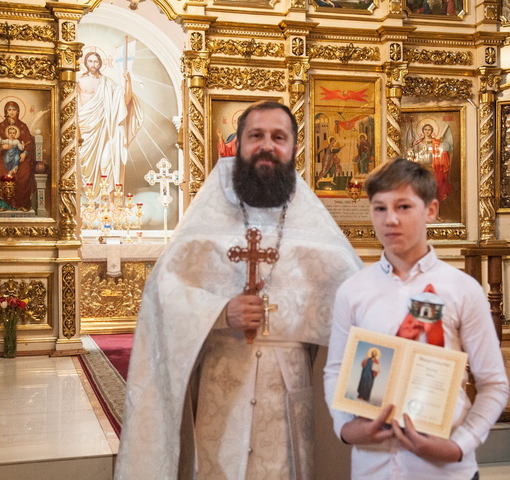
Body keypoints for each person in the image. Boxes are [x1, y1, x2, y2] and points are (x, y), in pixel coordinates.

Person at [115, 101, 363, 479]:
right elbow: (163, 296)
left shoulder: (314, 227)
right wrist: (219, 312)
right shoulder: (207, 218)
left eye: (278, 137)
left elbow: (357, 304)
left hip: (288, 391)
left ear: (294, 147)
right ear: (239, 144)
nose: (267, 145)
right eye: (256, 136)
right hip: (221, 384)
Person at [324, 158, 509, 480]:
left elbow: (493, 384)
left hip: (445, 469)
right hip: (374, 468)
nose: (390, 219)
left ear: (431, 210)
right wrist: (345, 427)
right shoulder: (353, 291)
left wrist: (459, 446)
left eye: (404, 206)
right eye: (380, 208)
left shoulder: (462, 289)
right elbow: (336, 371)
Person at [77, 51, 143, 199]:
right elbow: (73, 103)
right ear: (86, 63)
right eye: (90, 61)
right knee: (85, 165)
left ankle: (110, 201)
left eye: (96, 61)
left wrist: (128, 81)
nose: (93, 64)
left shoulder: (107, 83)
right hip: (85, 128)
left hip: (105, 129)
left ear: (100, 64)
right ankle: (90, 201)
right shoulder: (80, 82)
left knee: (108, 161)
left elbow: (125, 100)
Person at [0, 101, 35, 212]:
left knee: (25, 170)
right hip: (4, 156)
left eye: (14, 109)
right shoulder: (0, 127)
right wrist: (2, 147)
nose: (11, 112)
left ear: (18, 111)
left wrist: (25, 153)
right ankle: (3, 203)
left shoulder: (23, 127)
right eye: (9, 110)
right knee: (1, 168)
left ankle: (23, 203)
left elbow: (29, 144)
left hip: (20, 157)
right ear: (6, 111)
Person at [412, 123, 452, 202]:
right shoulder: (418, 142)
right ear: (423, 131)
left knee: (432, 185)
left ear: (432, 131)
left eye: (429, 130)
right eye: (425, 129)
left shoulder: (436, 142)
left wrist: (443, 148)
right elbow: (413, 153)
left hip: (433, 167)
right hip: (420, 167)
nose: (427, 131)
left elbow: (444, 150)